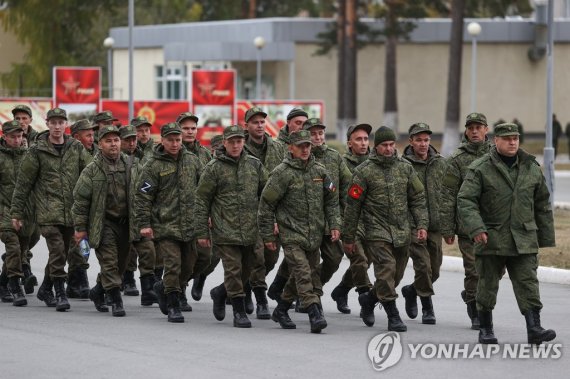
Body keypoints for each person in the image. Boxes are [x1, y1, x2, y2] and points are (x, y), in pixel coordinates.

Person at [457, 123, 557, 345]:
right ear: (496, 141)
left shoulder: (530, 167)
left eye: (515, 138)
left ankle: (534, 328)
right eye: (507, 138)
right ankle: (485, 328)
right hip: (491, 238)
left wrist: (545, 237)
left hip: (523, 239)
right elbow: (465, 201)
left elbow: (542, 203)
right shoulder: (481, 168)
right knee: (487, 286)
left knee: (528, 283)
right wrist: (476, 228)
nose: (512, 142)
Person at [343, 126, 428, 332]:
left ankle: (369, 300)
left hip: (401, 231)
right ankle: (393, 315)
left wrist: (422, 224)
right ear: (377, 146)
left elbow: (417, 198)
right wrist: (349, 237)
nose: (389, 149)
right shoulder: (363, 172)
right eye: (384, 145)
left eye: (391, 144)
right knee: (386, 270)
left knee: (395, 276)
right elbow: (352, 206)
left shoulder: (405, 168)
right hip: (376, 231)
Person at [258, 129, 341, 333]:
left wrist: (335, 224)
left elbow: (331, 200)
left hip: (314, 235)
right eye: (300, 146)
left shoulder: (320, 172)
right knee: (303, 274)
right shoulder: (282, 173)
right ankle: (314, 312)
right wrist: (268, 234)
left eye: (308, 145)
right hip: (291, 234)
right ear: (291, 148)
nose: (305, 149)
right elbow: (266, 204)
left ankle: (282, 309)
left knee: (302, 276)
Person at [11, 107, 92, 311]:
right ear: (47, 124)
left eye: (60, 122)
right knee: (57, 250)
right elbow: (23, 184)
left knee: (62, 254)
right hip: (47, 212)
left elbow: (91, 172)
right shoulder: (37, 151)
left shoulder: (75, 147)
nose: (57, 126)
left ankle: (45, 287)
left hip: (71, 213)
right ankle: (59, 292)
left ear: (65, 125)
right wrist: (16, 213)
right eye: (53, 122)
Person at [195, 125, 268, 328]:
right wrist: (202, 231)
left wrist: (271, 223)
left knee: (250, 267)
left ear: (243, 142)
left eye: (239, 141)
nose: (235, 145)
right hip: (224, 229)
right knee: (233, 269)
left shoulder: (255, 165)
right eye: (231, 142)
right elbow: (201, 200)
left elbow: (268, 196)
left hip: (252, 229)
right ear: (224, 143)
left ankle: (220, 292)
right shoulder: (214, 168)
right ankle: (238, 310)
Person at [135, 122, 203, 323]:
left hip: (190, 224)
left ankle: (164, 287)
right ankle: (173, 304)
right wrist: (144, 223)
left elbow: (204, 189)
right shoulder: (153, 165)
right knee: (173, 265)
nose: (175, 144)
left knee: (189, 267)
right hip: (166, 224)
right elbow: (143, 196)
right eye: (171, 140)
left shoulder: (192, 160)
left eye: (178, 140)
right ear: (162, 140)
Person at [72, 126, 138, 317]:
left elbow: (144, 192)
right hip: (104, 224)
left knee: (121, 264)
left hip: (127, 225)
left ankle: (98, 291)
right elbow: (80, 202)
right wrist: (80, 229)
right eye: (108, 141)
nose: (113, 144)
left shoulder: (132, 165)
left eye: (116, 140)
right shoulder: (92, 170)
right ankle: (116, 300)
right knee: (109, 263)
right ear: (100, 144)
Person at [440, 112, 492, 330]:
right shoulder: (456, 160)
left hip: (494, 225)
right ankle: (475, 308)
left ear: (486, 130)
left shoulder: (496, 154)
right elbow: (448, 194)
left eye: (478, 127)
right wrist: (447, 227)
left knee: (493, 271)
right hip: (467, 226)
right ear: (466, 131)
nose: (474, 131)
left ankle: (471, 293)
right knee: (473, 269)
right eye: (470, 128)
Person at [400, 123, 447, 325]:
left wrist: (450, 225)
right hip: (412, 225)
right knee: (423, 267)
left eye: (426, 140)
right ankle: (427, 307)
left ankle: (411, 291)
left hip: (435, 225)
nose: (423, 144)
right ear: (411, 141)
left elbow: (448, 195)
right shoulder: (403, 165)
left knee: (434, 270)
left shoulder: (441, 164)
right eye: (418, 140)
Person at [243, 106, 285, 318]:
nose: (259, 126)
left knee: (271, 257)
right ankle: (260, 298)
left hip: (273, 211)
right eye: (255, 122)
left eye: (262, 122)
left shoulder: (277, 148)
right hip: (247, 212)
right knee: (257, 256)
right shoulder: (238, 147)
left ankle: (239, 287)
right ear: (246, 126)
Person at [303, 118, 351, 307]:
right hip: (306, 222)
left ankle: (312, 289)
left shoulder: (334, 157)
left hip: (330, 220)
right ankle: (311, 297)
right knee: (310, 263)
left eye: (320, 133)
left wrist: (343, 214)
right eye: (313, 133)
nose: (317, 137)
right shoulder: (299, 157)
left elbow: (347, 185)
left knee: (334, 258)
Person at [329, 123, 373, 314]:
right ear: (349, 143)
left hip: (372, 221)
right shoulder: (341, 164)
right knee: (360, 258)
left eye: (365, 139)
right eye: (358, 139)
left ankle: (342, 289)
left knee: (366, 260)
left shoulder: (375, 162)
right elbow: (333, 194)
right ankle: (366, 297)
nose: (363, 143)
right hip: (349, 221)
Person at [119, 125, 158, 305]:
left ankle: (148, 289)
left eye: (134, 139)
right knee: (120, 257)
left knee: (148, 250)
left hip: (139, 215)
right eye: (127, 140)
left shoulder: (144, 159)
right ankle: (106, 287)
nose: (132, 142)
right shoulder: (112, 160)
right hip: (117, 217)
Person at [0, 121, 33, 306]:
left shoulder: (29, 156)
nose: (16, 140)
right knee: (13, 247)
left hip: (24, 212)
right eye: (12, 136)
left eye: (19, 136)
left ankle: (3, 283)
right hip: (3, 210)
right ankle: (15, 286)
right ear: (4, 136)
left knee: (19, 251)